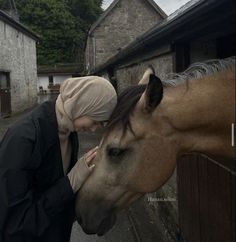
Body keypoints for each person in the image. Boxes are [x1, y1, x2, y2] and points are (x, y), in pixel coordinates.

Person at [0, 76, 117, 242]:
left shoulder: (68, 131)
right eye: (95, 121)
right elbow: (16, 225)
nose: (93, 130)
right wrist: (70, 183)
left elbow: (57, 202)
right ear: (80, 105)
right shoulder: (22, 139)